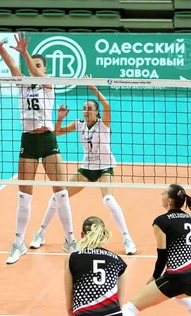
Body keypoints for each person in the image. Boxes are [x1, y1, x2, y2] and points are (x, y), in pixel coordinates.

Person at [0, 29, 76, 264]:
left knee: (61, 192)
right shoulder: (23, 84)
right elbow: (11, 67)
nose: (34, 69)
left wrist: (25, 53)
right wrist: (0, 48)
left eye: (38, 65)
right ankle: (18, 243)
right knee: (24, 195)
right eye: (32, 65)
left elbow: (33, 71)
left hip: (47, 140)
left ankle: (70, 240)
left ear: (44, 69)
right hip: (28, 140)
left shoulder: (48, 84)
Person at [30, 84, 137, 256]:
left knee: (108, 199)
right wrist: (60, 118)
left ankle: (127, 239)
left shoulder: (103, 123)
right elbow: (56, 132)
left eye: (89, 109)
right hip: (86, 168)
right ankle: (40, 233)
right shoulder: (79, 124)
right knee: (57, 196)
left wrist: (93, 88)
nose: (86, 111)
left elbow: (107, 105)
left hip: (104, 168)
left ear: (96, 112)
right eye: (84, 109)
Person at [122, 183, 191, 316]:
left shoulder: (161, 221)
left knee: (128, 309)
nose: (161, 194)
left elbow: (162, 255)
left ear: (169, 201)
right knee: (178, 296)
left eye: (164, 192)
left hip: (178, 279)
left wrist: (155, 277)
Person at [65, 216, 127, 316]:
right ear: (103, 236)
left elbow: (69, 305)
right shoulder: (118, 261)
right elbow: (120, 304)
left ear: (82, 235)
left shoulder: (72, 258)